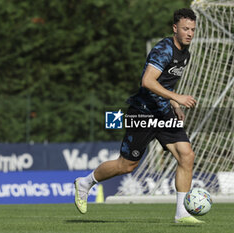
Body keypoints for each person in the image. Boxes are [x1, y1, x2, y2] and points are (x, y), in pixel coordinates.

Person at [74, 8, 201, 224]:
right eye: (185, 29)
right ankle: (85, 183)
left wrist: (172, 103)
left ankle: (182, 213)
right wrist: (178, 97)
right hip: (143, 111)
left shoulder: (185, 53)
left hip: (163, 111)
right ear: (175, 28)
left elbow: (163, 84)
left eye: (192, 29)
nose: (189, 33)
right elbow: (148, 82)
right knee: (127, 165)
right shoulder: (164, 49)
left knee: (186, 155)